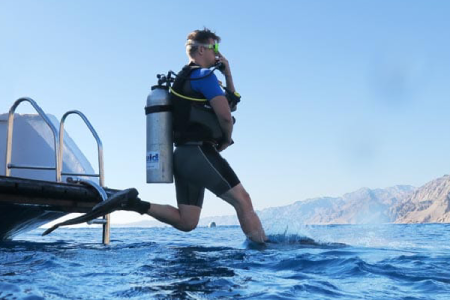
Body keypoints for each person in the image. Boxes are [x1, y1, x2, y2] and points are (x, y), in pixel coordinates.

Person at [111, 28, 267, 244]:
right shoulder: (204, 76)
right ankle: (263, 252)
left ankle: (135, 204)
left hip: (182, 156)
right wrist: (225, 140)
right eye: (216, 48)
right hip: (198, 152)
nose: (218, 55)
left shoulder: (185, 79)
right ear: (202, 50)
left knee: (188, 221)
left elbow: (230, 104)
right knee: (243, 200)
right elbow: (225, 117)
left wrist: (227, 72)